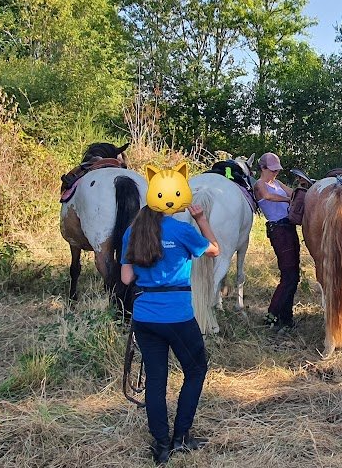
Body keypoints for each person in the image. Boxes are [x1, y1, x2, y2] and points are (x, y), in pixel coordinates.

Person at [120, 162, 220, 465]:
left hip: (145, 316)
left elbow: (125, 279)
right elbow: (214, 249)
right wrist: (201, 219)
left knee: (156, 380)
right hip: (176, 315)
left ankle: (161, 445)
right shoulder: (183, 230)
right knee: (196, 369)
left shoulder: (132, 232)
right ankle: (181, 437)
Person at [254, 152, 301, 333]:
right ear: (263, 168)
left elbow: (293, 193)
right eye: (272, 170)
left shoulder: (277, 183)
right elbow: (268, 196)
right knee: (289, 274)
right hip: (278, 229)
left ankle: (285, 315)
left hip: (288, 227)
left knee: (293, 274)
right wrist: (289, 199)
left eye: (277, 170)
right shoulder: (260, 184)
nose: (275, 173)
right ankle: (273, 314)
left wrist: (302, 190)